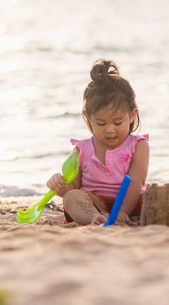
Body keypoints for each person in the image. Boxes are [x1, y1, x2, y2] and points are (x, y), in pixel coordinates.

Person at [46, 59, 149, 226]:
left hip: (131, 203)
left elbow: (136, 181)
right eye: (101, 123)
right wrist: (58, 185)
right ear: (88, 117)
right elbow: (73, 188)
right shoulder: (82, 149)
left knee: (154, 196)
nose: (109, 130)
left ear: (131, 115)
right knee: (72, 197)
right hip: (94, 203)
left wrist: (123, 211)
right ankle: (94, 219)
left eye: (117, 123)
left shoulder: (138, 145)